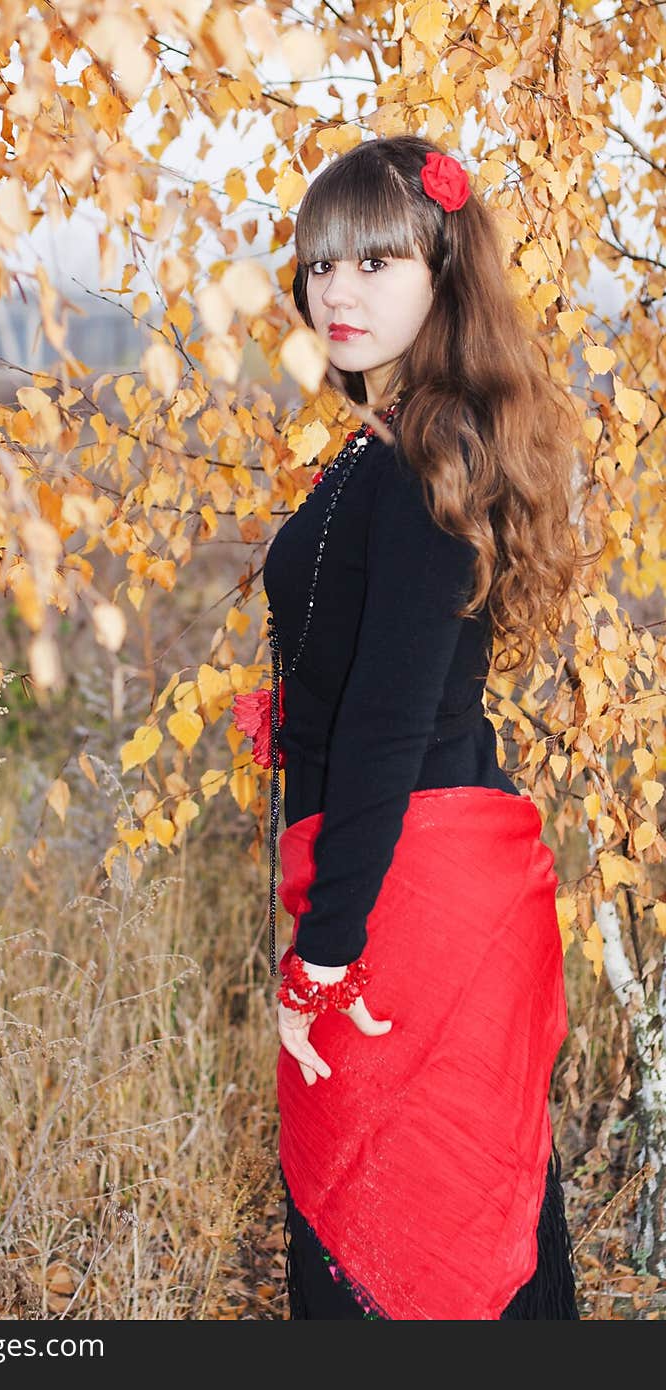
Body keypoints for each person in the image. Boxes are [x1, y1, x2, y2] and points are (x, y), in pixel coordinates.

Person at [251, 135, 601, 1320]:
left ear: (444, 273)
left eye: (376, 263)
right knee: (426, 1211)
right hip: (400, 876)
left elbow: (393, 720)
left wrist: (328, 953)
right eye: (320, 264)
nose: (335, 291)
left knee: (404, 1228)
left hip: (403, 901)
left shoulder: (423, 455)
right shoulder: (394, 445)